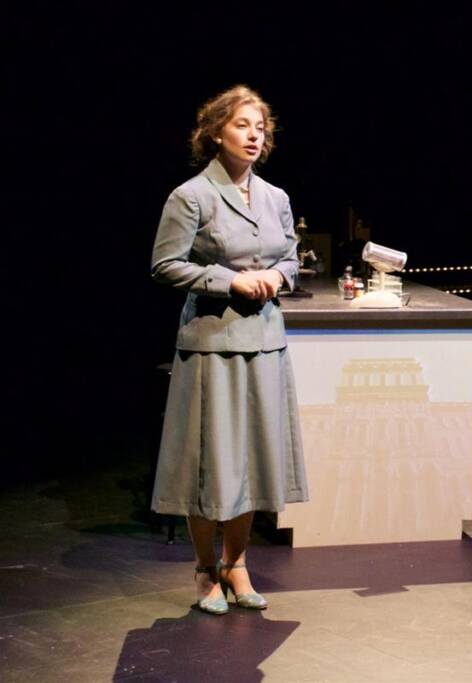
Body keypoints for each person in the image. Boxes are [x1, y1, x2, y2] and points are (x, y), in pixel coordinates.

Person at [150, 85, 309, 615]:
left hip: (264, 344)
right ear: (216, 132)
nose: (254, 134)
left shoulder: (276, 197)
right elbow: (166, 265)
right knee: (212, 463)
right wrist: (228, 281)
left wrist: (275, 276)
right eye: (243, 125)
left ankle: (237, 565)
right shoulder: (190, 195)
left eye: (260, 126)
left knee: (252, 460)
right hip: (212, 346)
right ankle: (203, 569)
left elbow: (290, 258)